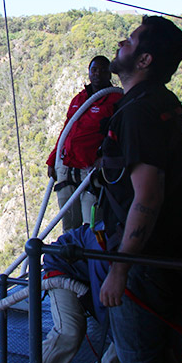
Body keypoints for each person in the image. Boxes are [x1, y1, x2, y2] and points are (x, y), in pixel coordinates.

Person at [98, 15, 182, 363]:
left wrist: (121, 268)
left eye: (129, 41)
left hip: (144, 262)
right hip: (171, 250)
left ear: (143, 60)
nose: (120, 45)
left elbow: (147, 197)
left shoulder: (138, 113)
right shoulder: (164, 101)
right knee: (165, 354)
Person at [0, 225, 125, 363]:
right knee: (68, 333)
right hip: (63, 269)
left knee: (132, 332)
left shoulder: (123, 233)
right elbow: (103, 300)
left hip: (85, 271)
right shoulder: (110, 237)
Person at [46, 56, 121, 231]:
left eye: (103, 70)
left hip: (91, 171)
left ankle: (92, 256)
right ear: (89, 71)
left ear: (109, 73)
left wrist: (104, 158)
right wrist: (52, 160)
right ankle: (69, 257)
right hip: (67, 167)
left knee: (92, 225)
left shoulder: (115, 100)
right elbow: (66, 131)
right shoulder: (79, 99)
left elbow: (120, 135)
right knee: (69, 224)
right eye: (94, 69)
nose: (97, 74)